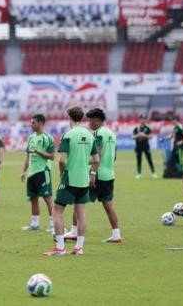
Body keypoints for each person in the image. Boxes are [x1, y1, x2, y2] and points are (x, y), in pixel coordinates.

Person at [44, 106, 99, 256]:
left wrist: (62, 175)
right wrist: (86, 166)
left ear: (69, 117)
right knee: (81, 214)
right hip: (84, 179)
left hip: (69, 178)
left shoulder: (68, 135)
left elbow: (61, 161)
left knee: (57, 211)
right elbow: (96, 159)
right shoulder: (89, 136)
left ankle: (60, 247)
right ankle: (79, 248)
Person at [84, 108, 122, 243]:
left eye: (90, 120)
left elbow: (97, 155)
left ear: (97, 120)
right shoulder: (112, 134)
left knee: (78, 201)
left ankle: (74, 231)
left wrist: (92, 173)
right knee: (108, 205)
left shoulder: (98, 134)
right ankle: (116, 234)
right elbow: (115, 156)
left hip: (97, 174)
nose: (88, 123)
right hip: (109, 174)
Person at [20, 114, 54, 232]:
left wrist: (38, 151)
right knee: (33, 198)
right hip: (32, 173)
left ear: (40, 123)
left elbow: (52, 156)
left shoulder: (47, 138)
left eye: (33, 122)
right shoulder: (31, 138)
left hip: (42, 171)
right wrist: (23, 171)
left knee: (47, 198)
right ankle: (35, 224)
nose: (31, 124)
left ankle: (53, 224)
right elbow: (28, 156)